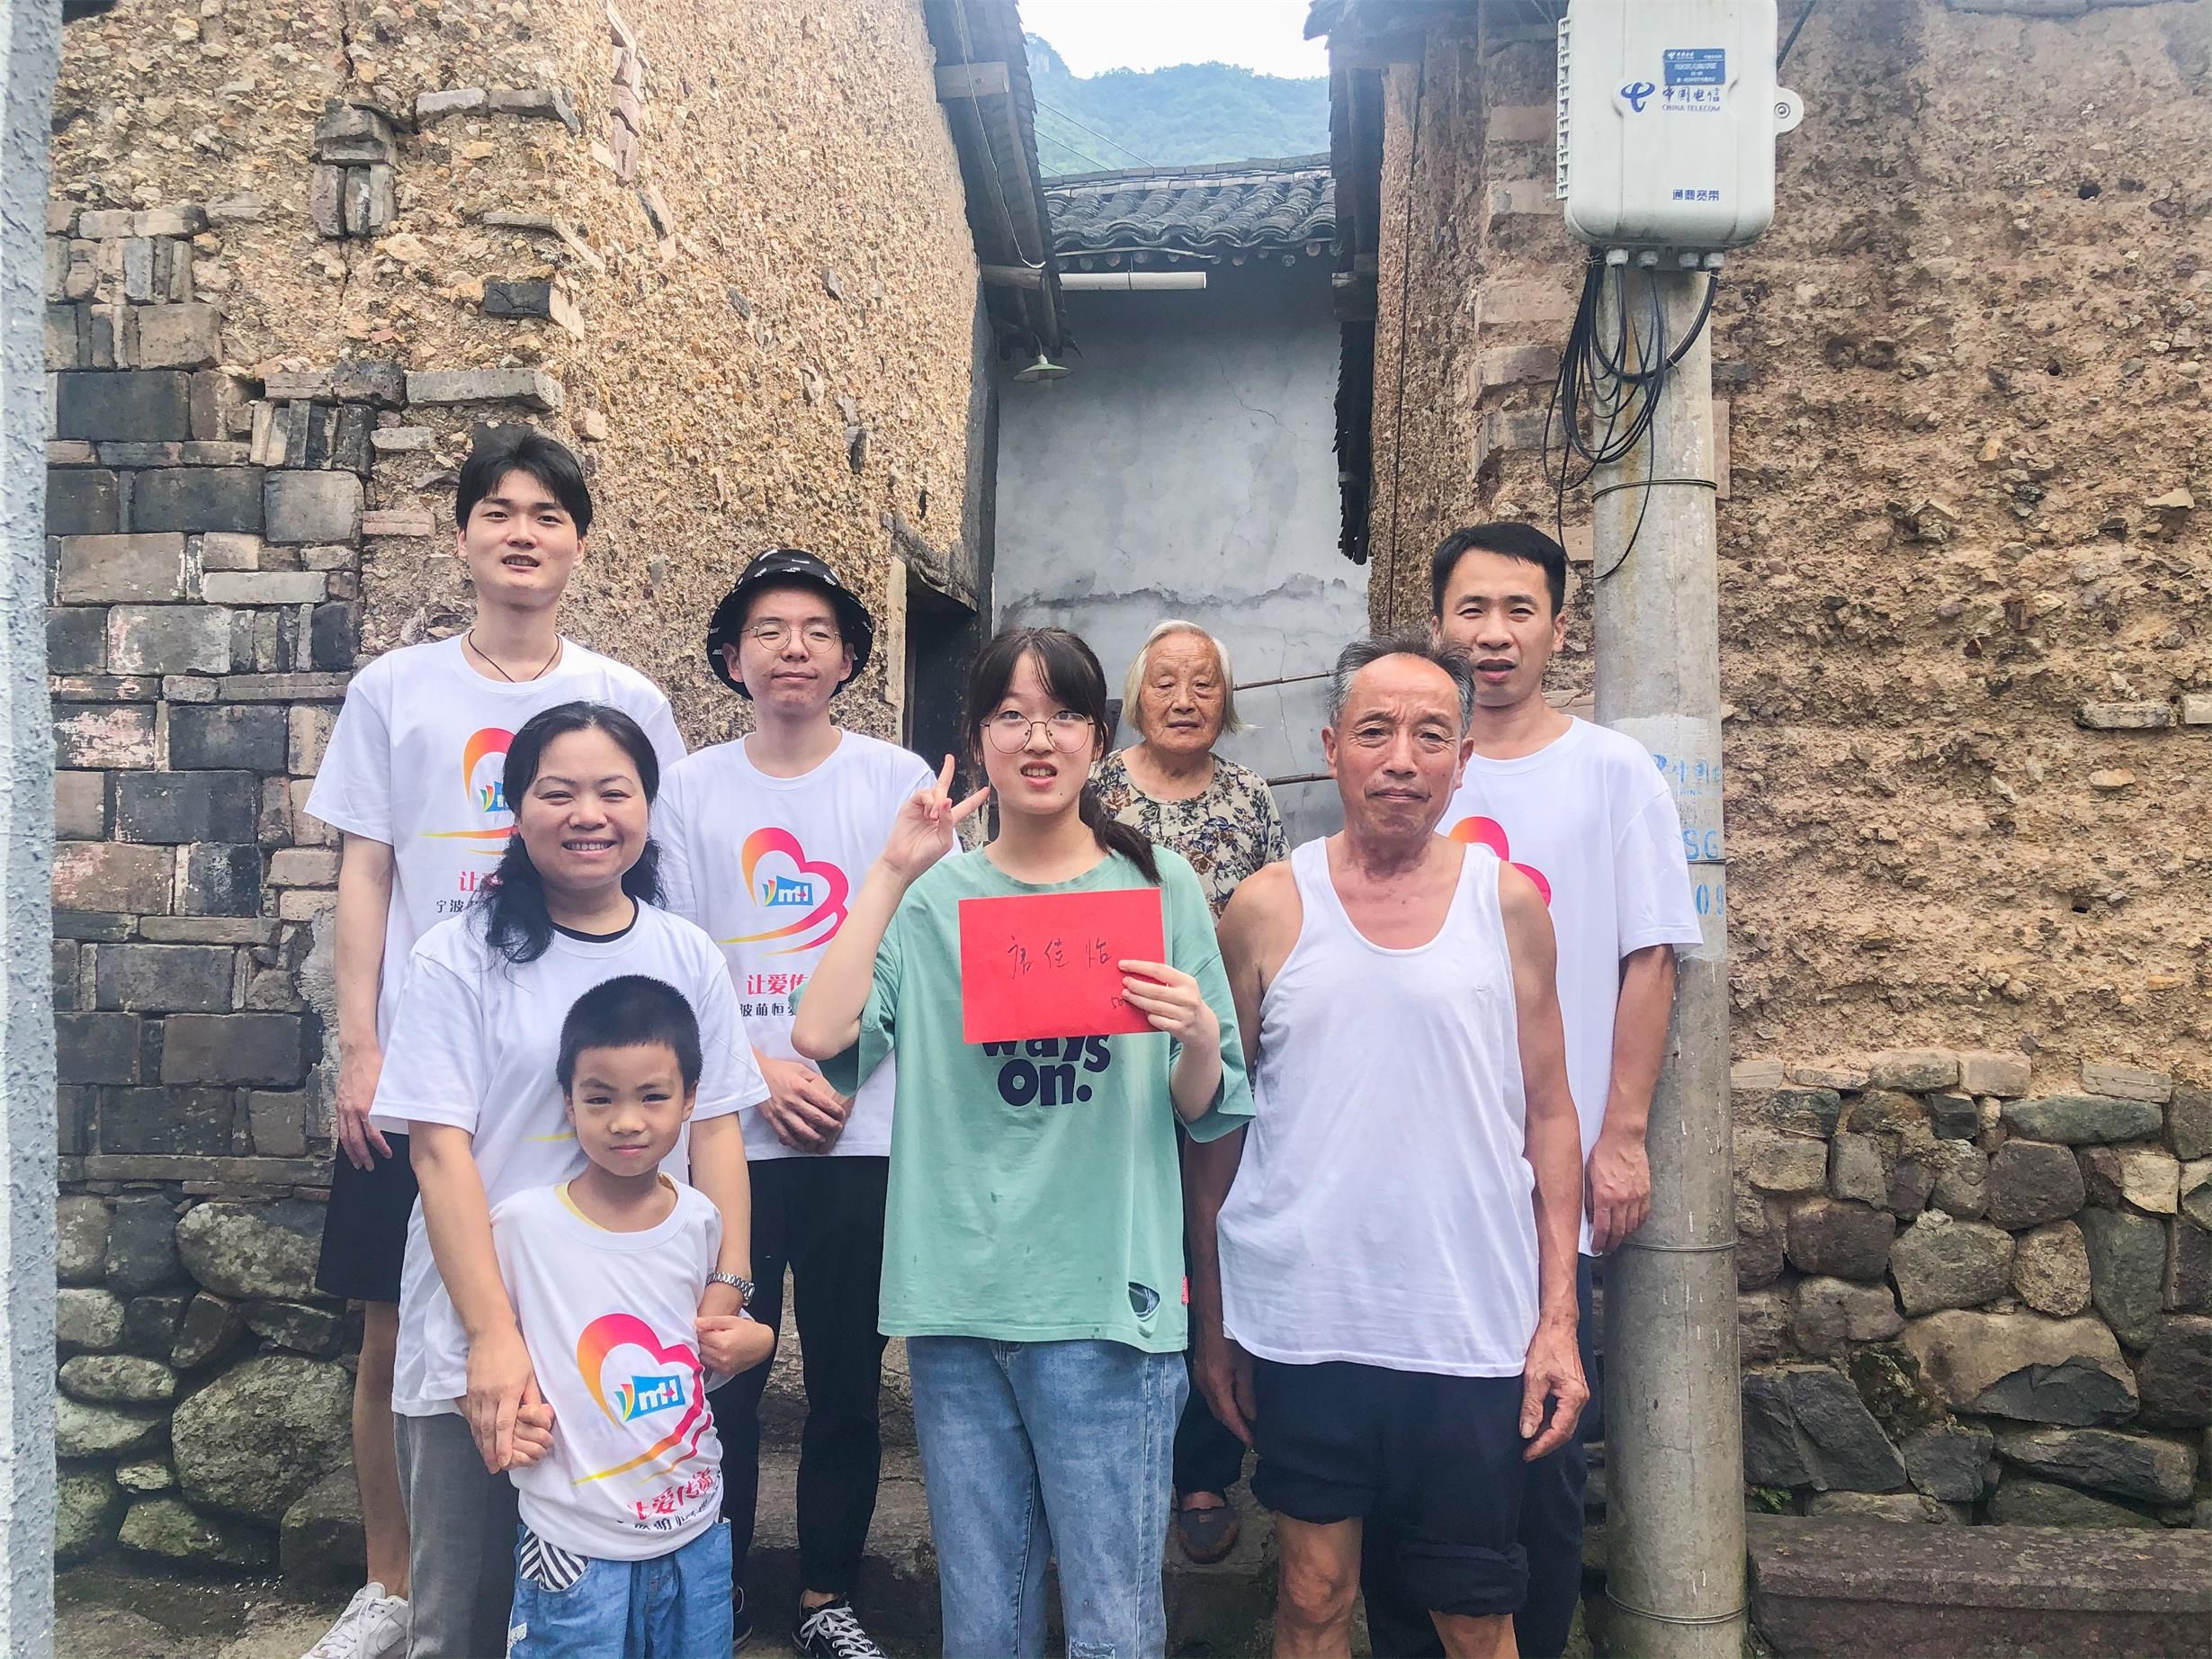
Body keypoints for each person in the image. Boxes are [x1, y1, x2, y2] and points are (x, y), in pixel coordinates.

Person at [790, 626, 1254, 1659]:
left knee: (1111, 1623)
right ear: (976, 737)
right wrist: (891, 869)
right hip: (958, 1302)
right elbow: (820, 1036)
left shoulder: (1158, 885)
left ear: (1098, 737)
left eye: (1063, 715)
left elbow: (1204, 1102)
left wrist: (1193, 1031)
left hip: (1107, 1306)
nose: (1037, 739)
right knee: (982, 1623)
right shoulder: (932, 901)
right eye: (1010, 715)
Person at [300, 429, 685, 1659]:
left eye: (548, 514)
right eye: (499, 511)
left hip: (580, 1070)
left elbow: (661, 878)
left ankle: (572, 1576)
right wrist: (361, 1044)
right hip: (429, 1061)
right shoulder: (396, 690)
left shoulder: (627, 699)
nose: (522, 533)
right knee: (398, 1328)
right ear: (461, 533)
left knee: (578, 1311)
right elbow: (366, 869)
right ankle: (393, 1583)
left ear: (579, 541)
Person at [1189, 635, 1588, 1659]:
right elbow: (1219, 1126)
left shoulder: (1507, 905)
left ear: (1463, 758)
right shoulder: (1267, 906)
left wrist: (1556, 1321)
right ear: (1332, 747)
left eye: (1429, 735)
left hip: (1467, 1323)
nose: (1400, 758)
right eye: (1374, 731)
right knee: (1312, 1595)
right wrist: (1215, 1321)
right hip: (1306, 1323)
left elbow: (1550, 1116)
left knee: (1474, 1610)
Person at [1355, 524, 1702, 1659]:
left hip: (1543, 1184)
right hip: (1414, 1182)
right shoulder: (1402, 767)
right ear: (1436, 622)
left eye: (1518, 609)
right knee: (1404, 1446)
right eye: (1471, 609)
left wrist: (1623, 1134)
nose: (1493, 634)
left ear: (1559, 625)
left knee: (1538, 1450)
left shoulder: (1611, 772)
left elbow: (1650, 956)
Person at [367, 703, 767, 1659]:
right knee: (467, 1621)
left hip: (636, 1343)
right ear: (515, 809)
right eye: (558, 791)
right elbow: (438, 1154)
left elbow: (717, 1129)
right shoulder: (455, 956)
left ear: (647, 805)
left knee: (637, 1621)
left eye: (612, 790)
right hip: (485, 1343)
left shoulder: (685, 954)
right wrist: (494, 1338)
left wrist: (725, 1291)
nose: (588, 813)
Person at [654, 548, 938, 1659]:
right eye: (768, 630)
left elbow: (921, 955)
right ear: (732, 656)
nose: (793, 649)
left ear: (850, 656)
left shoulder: (892, 777)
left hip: (861, 1132)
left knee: (847, 1380)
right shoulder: (688, 789)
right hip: (727, 1135)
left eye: (817, 631)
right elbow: (674, 956)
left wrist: (835, 1075)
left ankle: (827, 1593)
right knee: (721, 1370)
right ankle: (713, 1589)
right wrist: (758, 1070)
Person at [495, 975, 778, 1658]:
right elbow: (469, 1351)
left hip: (695, 1530)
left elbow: (702, 1357)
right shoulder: (522, 1228)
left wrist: (758, 1340)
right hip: (573, 1543)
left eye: (652, 1096)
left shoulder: (700, 1220)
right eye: (600, 1099)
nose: (627, 1121)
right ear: (568, 1102)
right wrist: (510, 1421)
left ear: (690, 1100)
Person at [1096, 620, 1286, 1564]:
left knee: (1207, 1245)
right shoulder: (1095, 788)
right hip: (1104, 1067)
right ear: (1136, 693)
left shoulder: (1249, 798)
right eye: (1164, 681)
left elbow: (1279, 922)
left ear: (1226, 699)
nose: (1183, 698)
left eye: (1203, 683)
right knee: (1121, 1245)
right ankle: (1105, 1455)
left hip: (1219, 1056)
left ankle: (1202, 1466)